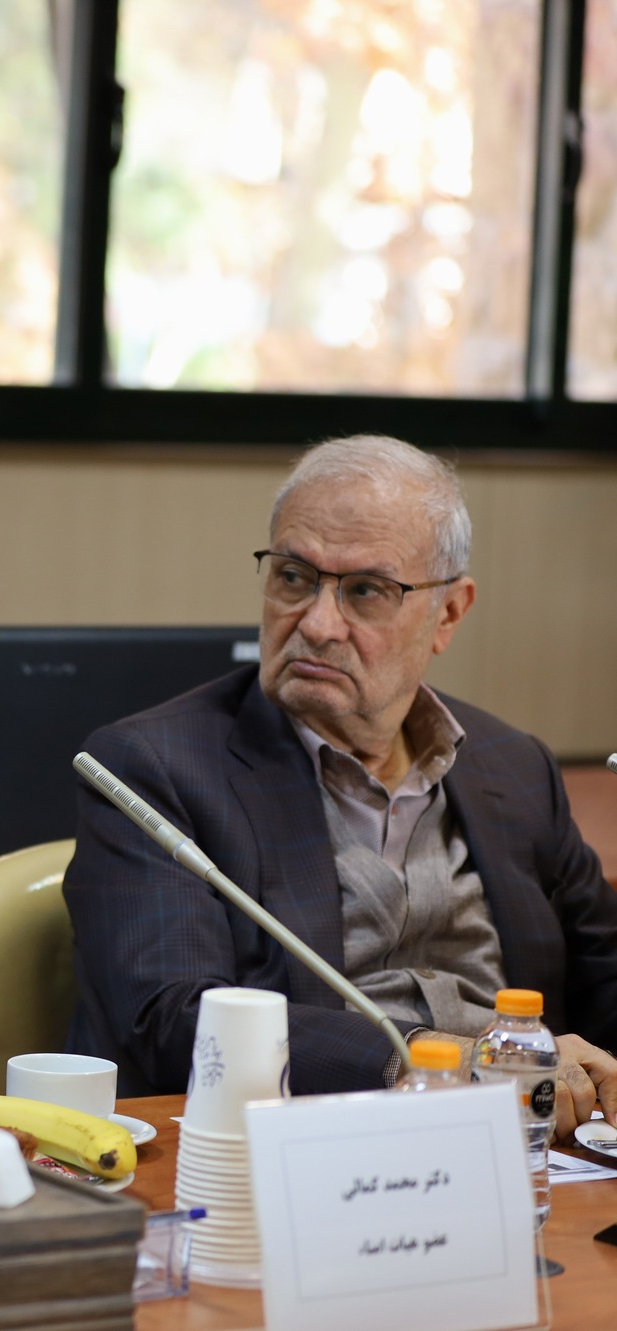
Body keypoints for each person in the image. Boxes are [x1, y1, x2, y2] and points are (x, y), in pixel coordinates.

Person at [65, 435, 617, 1134]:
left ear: (448, 613)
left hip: (535, 1148)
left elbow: (604, 977)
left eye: (365, 591)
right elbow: (174, 1018)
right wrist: (433, 1064)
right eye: (294, 576)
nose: (318, 624)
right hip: (305, 1142)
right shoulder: (154, 766)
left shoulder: (514, 765)